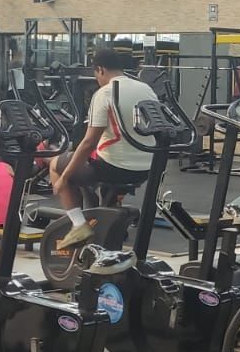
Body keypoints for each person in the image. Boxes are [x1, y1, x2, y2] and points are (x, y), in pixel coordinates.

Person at [49, 45, 158, 249]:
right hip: (147, 168)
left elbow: (89, 142)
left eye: (96, 74)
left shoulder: (105, 93)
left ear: (100, 70)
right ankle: (102, 223)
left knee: (56, 165)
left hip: (114, 167)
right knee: (88, 165)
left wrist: (63, 179)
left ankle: (79, 225)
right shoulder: (146, 89)